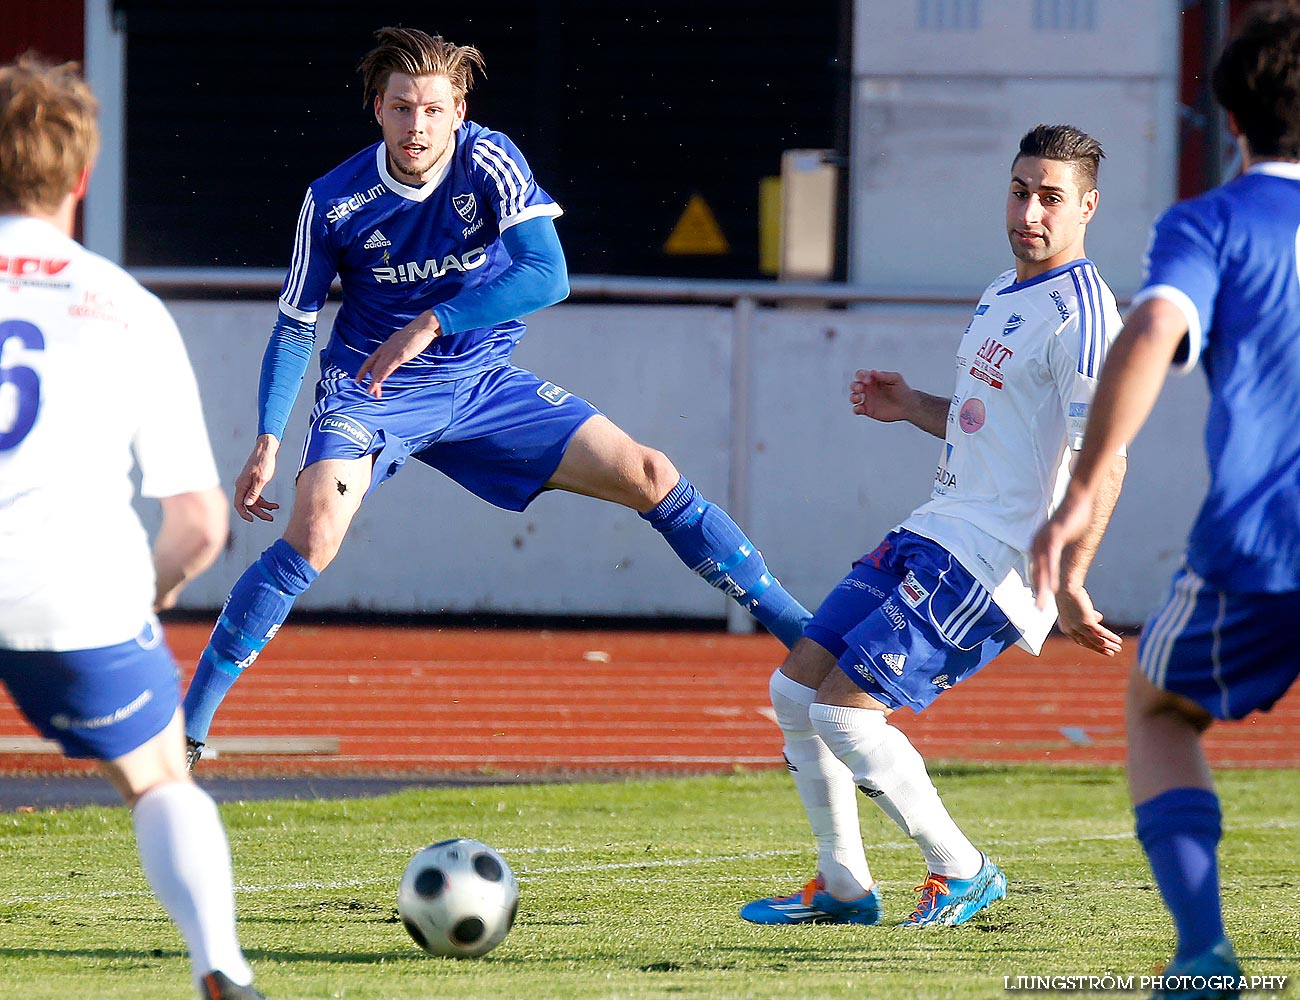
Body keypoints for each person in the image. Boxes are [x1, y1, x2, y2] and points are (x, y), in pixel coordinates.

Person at [180, 26, 812, 766]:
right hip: (371, 392)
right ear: (376, 110)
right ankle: (188, 730)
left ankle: (809, 640)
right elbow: (294, 326)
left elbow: (550, 275)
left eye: (433, 109)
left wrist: (435, 319)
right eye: (401, 108)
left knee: (651, 474)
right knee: (314, 535)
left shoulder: (490, 158)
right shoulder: (333, 200)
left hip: (481, 384)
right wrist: (267, 436)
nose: (417, 125)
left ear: (459, 110)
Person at [740, 124, 1129, 929]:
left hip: (993, 559)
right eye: (1020, 191)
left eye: (1052, 197)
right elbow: (993, 424)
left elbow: (1107, 459)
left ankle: (963, 870)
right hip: (936, 526)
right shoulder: (1001, 289)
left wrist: (1073, 582)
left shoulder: (1083, 314)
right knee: (794, 689)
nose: (1031, 211)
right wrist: (912, 404)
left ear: (1088, 207)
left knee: (847, 712)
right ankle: (844, 884)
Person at [1031, 5, 1300, 995]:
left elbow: (1150, 329)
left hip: (1264, 545)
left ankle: (1203, 954)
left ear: (1231, 119)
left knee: (1158, 704)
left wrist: (1084, 485)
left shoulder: (1214, 223)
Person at [0, 56, 266, 1000]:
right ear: (80, 175)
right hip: (70, 591)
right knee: (157, 777)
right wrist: (142, 593)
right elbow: (198, 525)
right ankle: (222, 968)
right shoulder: (126, 307)